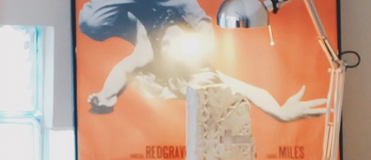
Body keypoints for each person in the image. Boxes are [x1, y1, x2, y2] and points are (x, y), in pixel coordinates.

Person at [78, 0, 326, 122]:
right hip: (173, 15)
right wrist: (280, 112)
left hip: (141, 18)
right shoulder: (194, 28)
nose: (168, 44)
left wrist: (106, 95)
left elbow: (123, 70)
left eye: (169, 46)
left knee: (90, 22)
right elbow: (253, 91)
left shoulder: (148, 54)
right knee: (93, 22)